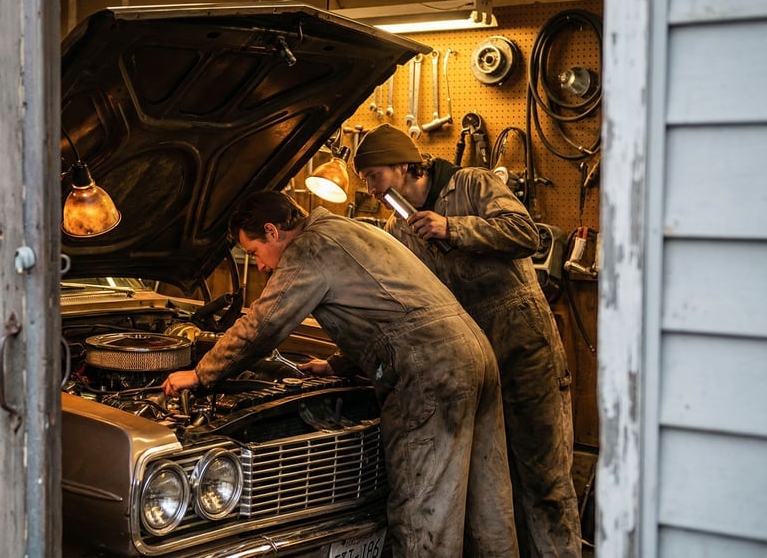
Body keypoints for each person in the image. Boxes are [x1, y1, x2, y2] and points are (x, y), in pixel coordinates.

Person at [162, 190, 518, 556]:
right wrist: (336, 365)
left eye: (254, 254)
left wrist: (202, 374)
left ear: (271, 231)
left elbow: (263, 325)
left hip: (430, 372)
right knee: (489, 504)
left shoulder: (309, 249)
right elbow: (391, 309)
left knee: (424, 514)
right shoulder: (349, 229)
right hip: (475, 352)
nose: (262, 267)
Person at [352, 123, 582, 558]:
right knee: (494, 489)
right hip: (472, 362)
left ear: (403, 165)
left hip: (524, 348)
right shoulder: (398, 230)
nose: (369, 186)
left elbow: (524, 234)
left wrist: (452, 228)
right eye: (364, 178)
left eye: (373, 174)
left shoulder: (472, 183)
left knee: (545, 481)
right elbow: (402, 309)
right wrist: (346, 363)